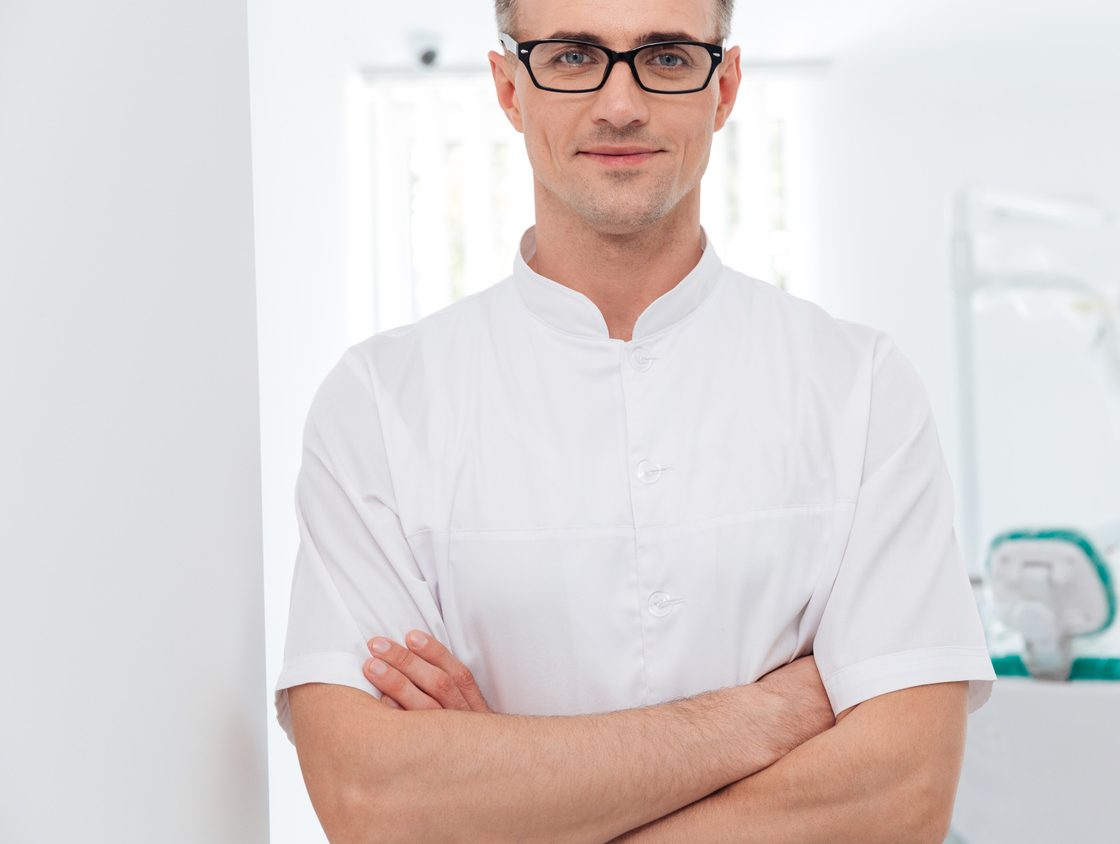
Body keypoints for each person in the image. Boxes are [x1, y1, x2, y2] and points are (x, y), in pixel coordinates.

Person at [274, 0, 995, 840]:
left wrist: (505, 794)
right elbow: (376, 803)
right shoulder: (380, 402)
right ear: (509, 87)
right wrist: (765, 716)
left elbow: (900, 797)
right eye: (574, 56)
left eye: (666, 56)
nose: (621, 104)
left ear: (723, 88)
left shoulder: (861, 386)